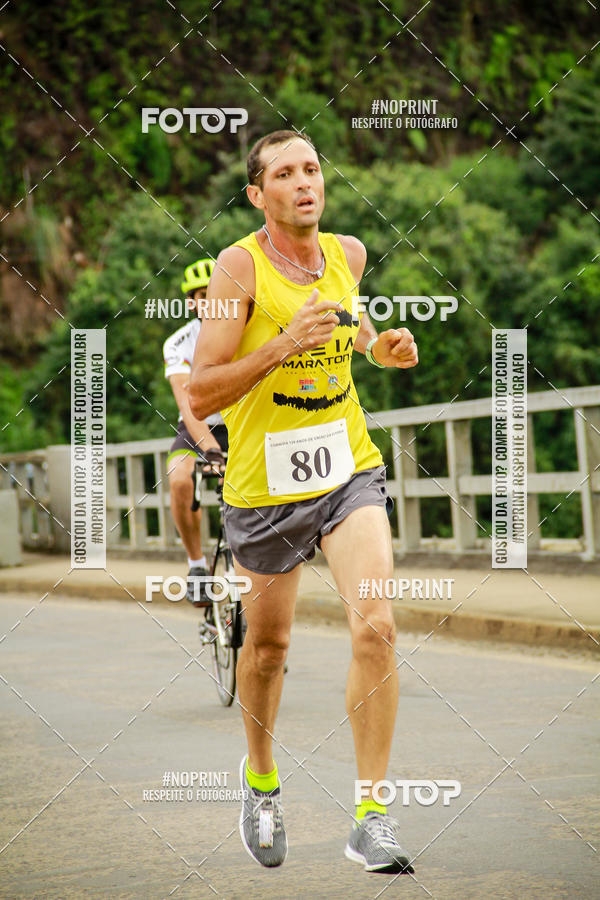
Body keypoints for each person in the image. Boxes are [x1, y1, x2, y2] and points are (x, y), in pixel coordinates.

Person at [189, 131, 418, 873]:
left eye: (311, 168)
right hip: (264, 487)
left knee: (377, 626)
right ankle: (260, 782)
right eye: (284, 173)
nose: (303, 182)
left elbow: (350, 328)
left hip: (348, 469)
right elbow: (203, 391)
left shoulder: (347, 254)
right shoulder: (238, 268)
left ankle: (372, 817)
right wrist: (283, 344)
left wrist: (378, 349)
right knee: (268, 650)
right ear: (258, 195)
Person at [163, 258, 228, 607]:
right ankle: (197, 566)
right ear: (191, 303)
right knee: (179, 479)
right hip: (196, 425)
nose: (210, 301)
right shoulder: (178, 342)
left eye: (215, 293)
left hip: (241, 423)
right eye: (203, 296)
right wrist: (211, 448)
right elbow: (187, 401)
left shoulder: (246, 329)